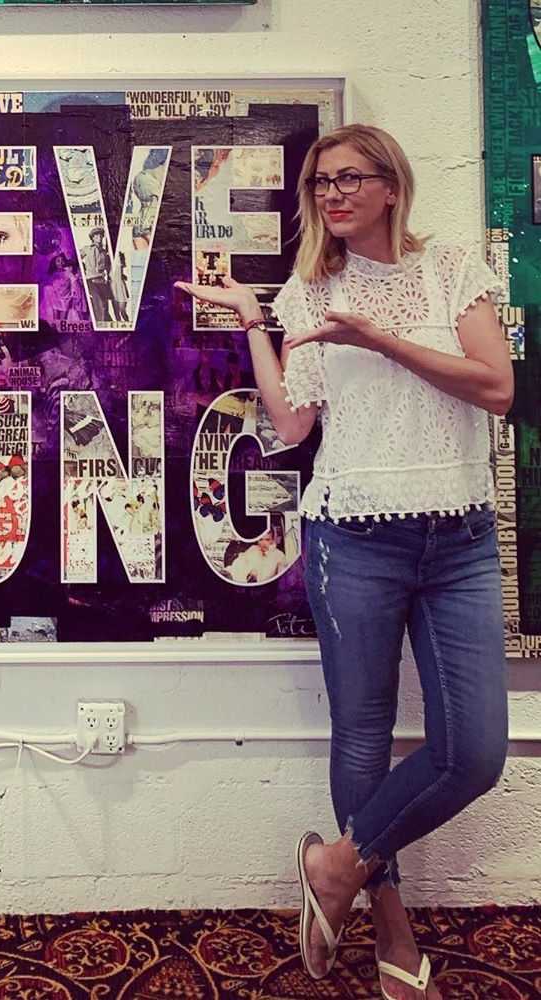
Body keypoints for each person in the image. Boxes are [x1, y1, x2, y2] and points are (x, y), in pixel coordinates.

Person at [176, 124, 512, 1000]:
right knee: (362, 733)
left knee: (474, 752)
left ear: (392, 185)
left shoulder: (453, 271)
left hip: (462, 540)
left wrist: (383, 341)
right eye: (321, 182)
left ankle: (333, 866)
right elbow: (293, 425)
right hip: (353, 537)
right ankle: (390, 924)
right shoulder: (311, 290)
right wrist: (257, 323)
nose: (333, 193)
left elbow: (498, 387)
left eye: (350, 177)